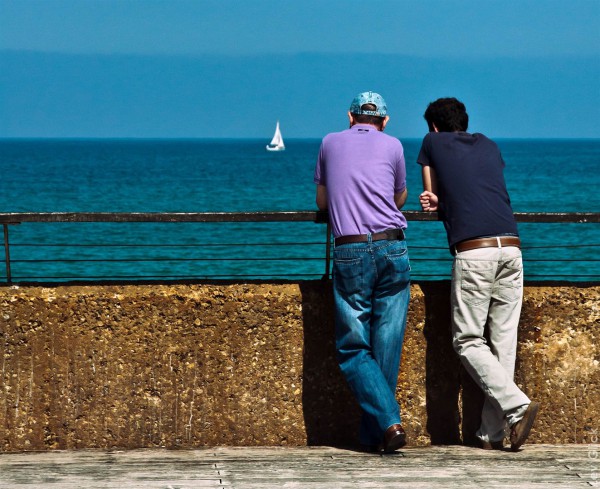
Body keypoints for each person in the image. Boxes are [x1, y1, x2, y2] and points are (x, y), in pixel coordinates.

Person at [417, 97, 539, 451]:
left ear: (435, 126)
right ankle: (492, 434)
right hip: (511, 247)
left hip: (475, 251)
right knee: (503, 342)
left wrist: (433, 198)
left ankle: (516, 405)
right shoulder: (488, 143)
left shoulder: (432, 141)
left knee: (467, 340)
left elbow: (430, 190)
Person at [314, 91, 411, 453]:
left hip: (351, 248)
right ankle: (379, 435)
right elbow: (398, 197)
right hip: (393, 244)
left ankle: (387, 424)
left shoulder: (328, 142)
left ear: (350, 117)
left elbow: (322, 202)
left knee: (353, 348)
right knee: (387, 344)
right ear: (384, 121)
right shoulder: (394, 145)